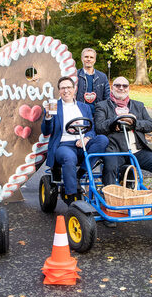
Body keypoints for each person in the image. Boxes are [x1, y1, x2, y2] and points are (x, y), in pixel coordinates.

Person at [95, 77, 152, 195]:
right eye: (117, 85)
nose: (121, 88)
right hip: (115, 150)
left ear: (128, 88)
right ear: (111, 88)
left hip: (137, 150)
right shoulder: (102, 106)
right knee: (110, 168)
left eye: (125, 86)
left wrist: (134, 123)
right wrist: (115, 121)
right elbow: (99, 127)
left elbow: (150, 125)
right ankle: (111, 200)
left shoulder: (138, 106)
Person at [42, 76, 109, 204]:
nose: (66, 91)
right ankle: (72, 195)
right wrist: (48, 117)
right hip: (63, 145)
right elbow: (46, 131)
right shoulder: (54, 106)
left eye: (68, 87)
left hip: (82, 143)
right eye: (62, 88)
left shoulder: (85, 107)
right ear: (59, 91)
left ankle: (79, 174)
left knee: (102, 139)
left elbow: (92, 129)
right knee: (69, 157)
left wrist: (87, 138)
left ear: (74, 89)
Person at [75, 48, 110, 114]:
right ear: (82, 59)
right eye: (86, 57)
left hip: (98, 113)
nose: (89, 59)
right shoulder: (75, 76)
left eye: (91, 57)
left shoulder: (102, 77)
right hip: (79, 112)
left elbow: (107, 98)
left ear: (95, 60)